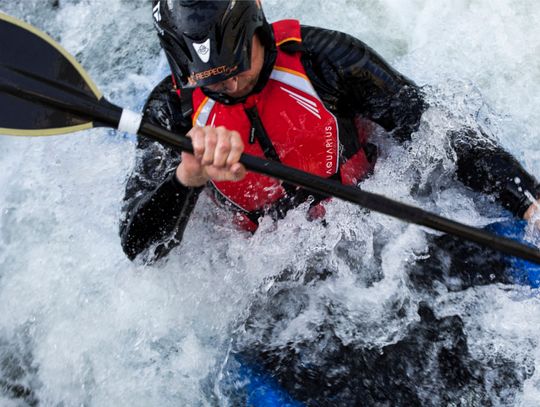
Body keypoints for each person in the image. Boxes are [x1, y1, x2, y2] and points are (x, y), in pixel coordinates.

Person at [120, 0, 540, 404]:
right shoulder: (170, 114)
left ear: (256, 24)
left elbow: (440, 134)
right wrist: (186, 177)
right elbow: (138, 246)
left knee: (492, 351)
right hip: (284, 287)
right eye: (210, 79)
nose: (227, 85)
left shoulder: (329, 60)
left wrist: (529, 201)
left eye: (236, 67)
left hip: (386, 237)